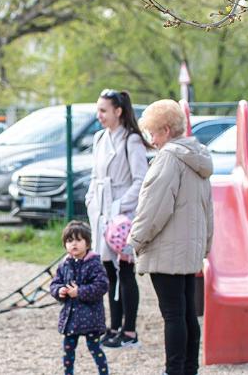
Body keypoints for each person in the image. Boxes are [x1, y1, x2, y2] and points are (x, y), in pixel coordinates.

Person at [129, 99, 214, 375]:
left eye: (153, 132)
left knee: (173, 315)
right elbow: (207, 209)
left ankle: (173, 370)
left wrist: (137, 240)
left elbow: (154, 207)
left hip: (166, 249)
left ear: (166, 130)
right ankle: (189, 369)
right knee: (188, 313)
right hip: (189, 250)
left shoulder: (168, 158)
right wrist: (206, 244)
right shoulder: (197, 157)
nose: (152, 139)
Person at [85, 89, 149, 348]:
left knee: (125, 271)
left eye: (103, 110)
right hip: (101, 210)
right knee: (108, 270)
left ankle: (129, 330)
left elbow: (141, 179)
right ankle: (113, 326)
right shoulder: (100, 137)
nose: (99, 115)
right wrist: (92, 200)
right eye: (98, 110)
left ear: (118, 111)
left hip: (122, 213)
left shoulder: (131, 140)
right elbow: (93, 175)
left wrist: (120, 206)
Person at [49, 221, 110, 375]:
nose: (73, 244)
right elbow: (55, 283)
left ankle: (104, 372)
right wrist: (59, 290)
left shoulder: (94, 264)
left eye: (78, 240)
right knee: (68, 350)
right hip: (71, 317)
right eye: (69, 241)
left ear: (87, 243)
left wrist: (80, 292)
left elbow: (102, 286)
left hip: (91, 317)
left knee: (95, 348)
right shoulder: (64, 265)